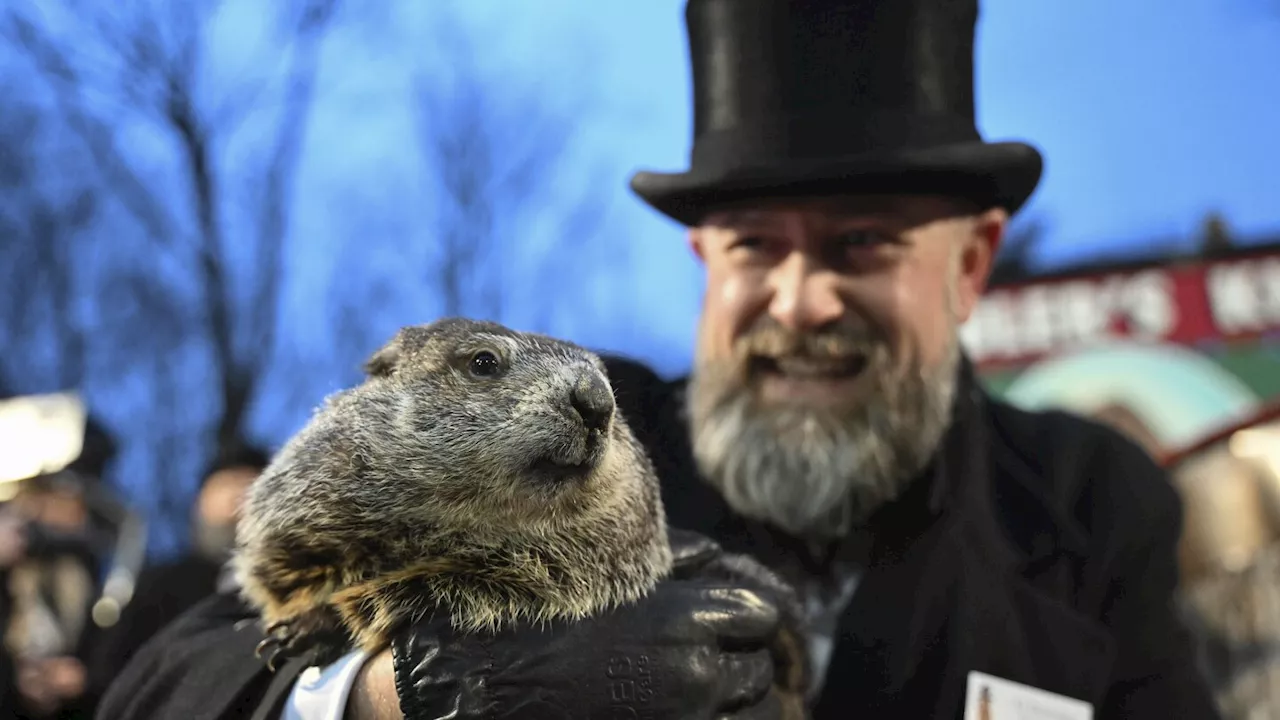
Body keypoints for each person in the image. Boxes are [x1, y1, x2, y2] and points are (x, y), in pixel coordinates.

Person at [98, 0, 1223, 718]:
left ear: (970, 264)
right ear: (702, 260)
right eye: (752, 249)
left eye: (860, 245)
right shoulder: (585, 435)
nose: (799, 299)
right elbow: (174, 680)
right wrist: (401, 693)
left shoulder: (1087, 505)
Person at [82, 440, 269, 708]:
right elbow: (118, 664)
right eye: (224, 485)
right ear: (200, 501)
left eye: (248, 484)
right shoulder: (163, 584)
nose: (236, 499)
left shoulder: (298, 585)